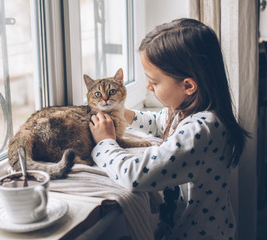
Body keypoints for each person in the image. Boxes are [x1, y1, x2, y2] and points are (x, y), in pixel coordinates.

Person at [89, 18, 250, 240]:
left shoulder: (201, 130)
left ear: (188, 86)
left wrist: (105, 142)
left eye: (153, 82)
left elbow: (136, 176)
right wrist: (123, 113)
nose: (147, 86)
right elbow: (158, 122)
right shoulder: (187, 111)